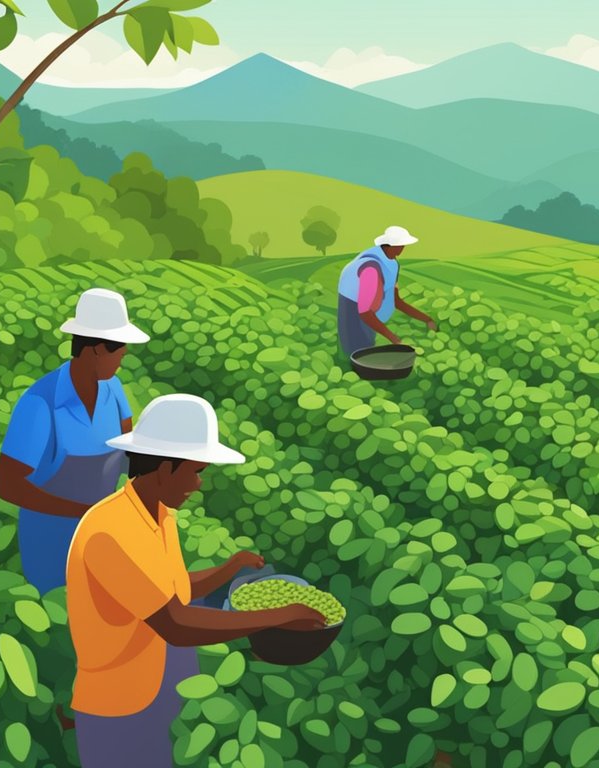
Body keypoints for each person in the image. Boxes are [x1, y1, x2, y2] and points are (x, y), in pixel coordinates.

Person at [66, 394, 326, 767]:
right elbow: (174, 622)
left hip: (162, 686)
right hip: (119, 705)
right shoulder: (109, 531)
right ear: (164, 469)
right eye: (195, 470)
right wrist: (277, 617)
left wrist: (230, 568)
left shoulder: (159, 515)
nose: (199, 483)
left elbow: (171, 589)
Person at [0, 289, 149, 595]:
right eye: (119, 349)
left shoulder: (114, 390)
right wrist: (82, 511)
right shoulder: (40, 403)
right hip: (51, 540)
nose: (123, 357)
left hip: (102, 534)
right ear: (95, 350)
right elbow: (7, 484)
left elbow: (129, 456)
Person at [336, 225, 437, 363]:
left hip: (367, 313)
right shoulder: (371, 270)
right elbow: (365, 312)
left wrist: (427, 319)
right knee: (355, 353)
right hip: (352, 309)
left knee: (368, 347)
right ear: (389, 245)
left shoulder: (392, 264)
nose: (402, 248)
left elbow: (397, 301)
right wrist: (395, 339)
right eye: (400, 245)